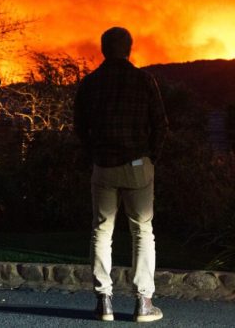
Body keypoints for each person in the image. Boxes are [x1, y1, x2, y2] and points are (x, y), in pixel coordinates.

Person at [74, 27, 169, 322]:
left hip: (103, 165)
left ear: (103, 49)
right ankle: (143, 302)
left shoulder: (90, 83)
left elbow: (80, 126)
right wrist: (150, 157)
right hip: (137, 166)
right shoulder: (143, 80)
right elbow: (161, 124)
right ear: (129, 48)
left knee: (102, 230)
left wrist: (94, 153)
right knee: (142, 231)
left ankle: (104, 302)